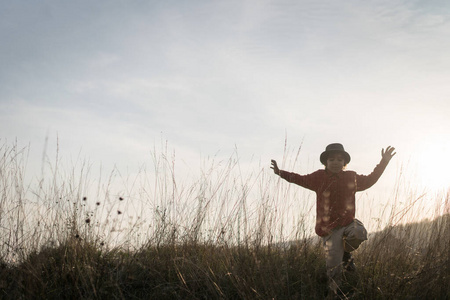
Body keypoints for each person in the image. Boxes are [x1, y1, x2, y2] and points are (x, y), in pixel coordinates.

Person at [271, 143, 396, 297]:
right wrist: (279, 172)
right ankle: (334, 293)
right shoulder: (318, 177)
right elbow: (298, 179)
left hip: (348, 222)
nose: (335, 162)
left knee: (359, 233)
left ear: (344, 163)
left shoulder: (351, 177)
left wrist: (384, 162)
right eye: (331, 160)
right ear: (326, 163)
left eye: (339, 159)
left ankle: (346, 253)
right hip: (329, 229)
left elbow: (370, 179)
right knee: (334, 269)